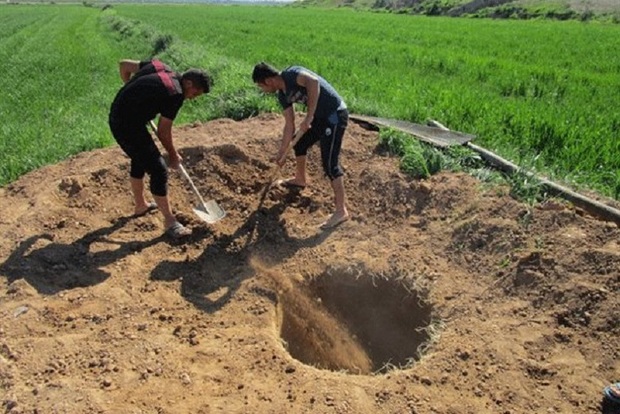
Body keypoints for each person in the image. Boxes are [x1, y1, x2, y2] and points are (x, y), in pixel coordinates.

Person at [108, 59, 212, 238]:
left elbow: (124, 65)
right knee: (159, 170)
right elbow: (163, 132)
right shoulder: (175, 94)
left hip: (126, 116)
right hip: (125, 125)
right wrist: (173, 154)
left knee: (140, 158)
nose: (193, 97)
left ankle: (140, 206)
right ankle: (170, 222)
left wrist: (132, 90)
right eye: (195, 92)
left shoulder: (160, 66)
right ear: (187, 83)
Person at [252, 62, 350, 230]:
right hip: (320, 118)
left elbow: (314, 82)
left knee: (330, 164)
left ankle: (341, 211)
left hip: (334, 115)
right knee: (300, 142)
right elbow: (289, 124)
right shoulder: (282, 96)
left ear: (268, 81)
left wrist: (309, 117)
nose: (263, 90)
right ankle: (300, 179)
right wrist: (282, 152)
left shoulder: (292, 74)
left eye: (261, 86)